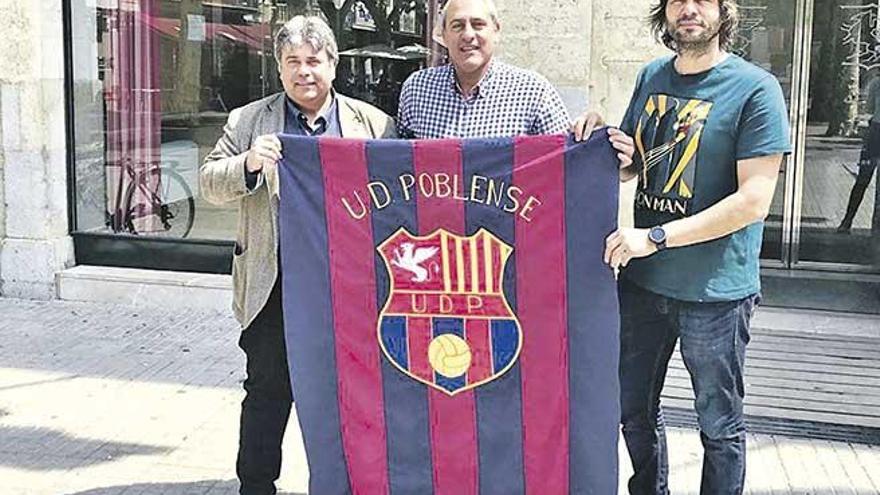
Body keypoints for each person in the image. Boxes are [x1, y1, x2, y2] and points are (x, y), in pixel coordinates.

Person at [579, 0, 791, 493]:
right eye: (677, 0)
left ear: (724, 11)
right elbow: (635, 165)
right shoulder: (652, 75)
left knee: (719, 427)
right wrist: (599, 142)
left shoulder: (756, 89)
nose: (688, 9)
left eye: (702, 0)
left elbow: (753, 201)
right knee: (633, 413)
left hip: (716, 293)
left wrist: (654, 237)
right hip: (642, 284)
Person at [199, 15, 395, 495]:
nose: (304, 71)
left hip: (347, 289)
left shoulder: (373, 124)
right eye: (293, 62)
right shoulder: (248, 121)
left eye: (313, 60)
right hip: (275, 284)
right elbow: (209, 183)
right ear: (280, 68)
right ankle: (256, 485)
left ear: (333, 64)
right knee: (266, 391)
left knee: (349, 396)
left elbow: (398, 196)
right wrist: (247, 163)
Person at [838, 73, 880, 233]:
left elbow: (869, 109)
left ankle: (847, 220)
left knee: (862, 180)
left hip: (875, 132)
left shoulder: (876, 82)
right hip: (875, 132)